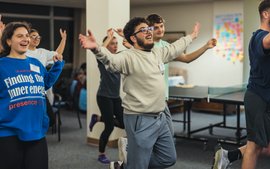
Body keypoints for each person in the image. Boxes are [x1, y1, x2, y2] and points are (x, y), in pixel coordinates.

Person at [79, 17, 200, 169]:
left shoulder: (157, 52)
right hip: (140, 119)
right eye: (143, 30)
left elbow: (175, 48)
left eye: (149, 29)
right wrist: (96, 48)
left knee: (168, 158)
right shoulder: (128, 57)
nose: (149, 32)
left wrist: (192, 36)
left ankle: (128, 164)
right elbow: (110, 60)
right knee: (139, 165)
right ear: (133, 38)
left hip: (160, 116)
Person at [116, 13, 217, 164]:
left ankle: (131, 158)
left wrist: (206, 47)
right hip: (145, 105)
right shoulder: (145, 47)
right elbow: (136, 55)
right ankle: (133, 157)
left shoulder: (164, 47)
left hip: (162, 101)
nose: (159, 30)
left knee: (166, 142)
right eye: (155, 27)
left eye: (161, 26)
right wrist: (128, 41)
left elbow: (186, 58)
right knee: (152, 144)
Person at [212, 1, 270, 169]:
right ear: (265, 14)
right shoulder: (259, 37)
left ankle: (228, 155)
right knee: (253, 147)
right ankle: (229, 157)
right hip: (260, 98)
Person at [0, 21, 64, 169]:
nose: (26, 39)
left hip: (36, 132)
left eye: (27, 36)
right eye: (19, 36)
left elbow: (45, 83)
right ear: (9, 41)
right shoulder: (2, 65)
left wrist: (58, 65)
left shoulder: (35, 63)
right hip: (8, 134)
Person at [88, 28, 125, 164]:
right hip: (104, 96)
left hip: (115, 97)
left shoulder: (119, 57)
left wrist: (123, 36)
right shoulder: (102, 59)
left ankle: (98, 118)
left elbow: (132, 52)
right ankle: (101, 153)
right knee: (109, 127)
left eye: (116, 43)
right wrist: (108, 37)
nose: (115, 45)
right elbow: (100, 50)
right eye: (112, 43)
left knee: (123, 123)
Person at [25, 28, 67, 126]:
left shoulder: (42, 52)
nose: (36, 39)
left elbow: (57, 55)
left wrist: (63, 40)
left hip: (41, 88)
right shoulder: (23, 52)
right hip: (27, 89)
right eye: (33, 37)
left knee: (50, 119)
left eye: (38, 37)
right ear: (27, 38)